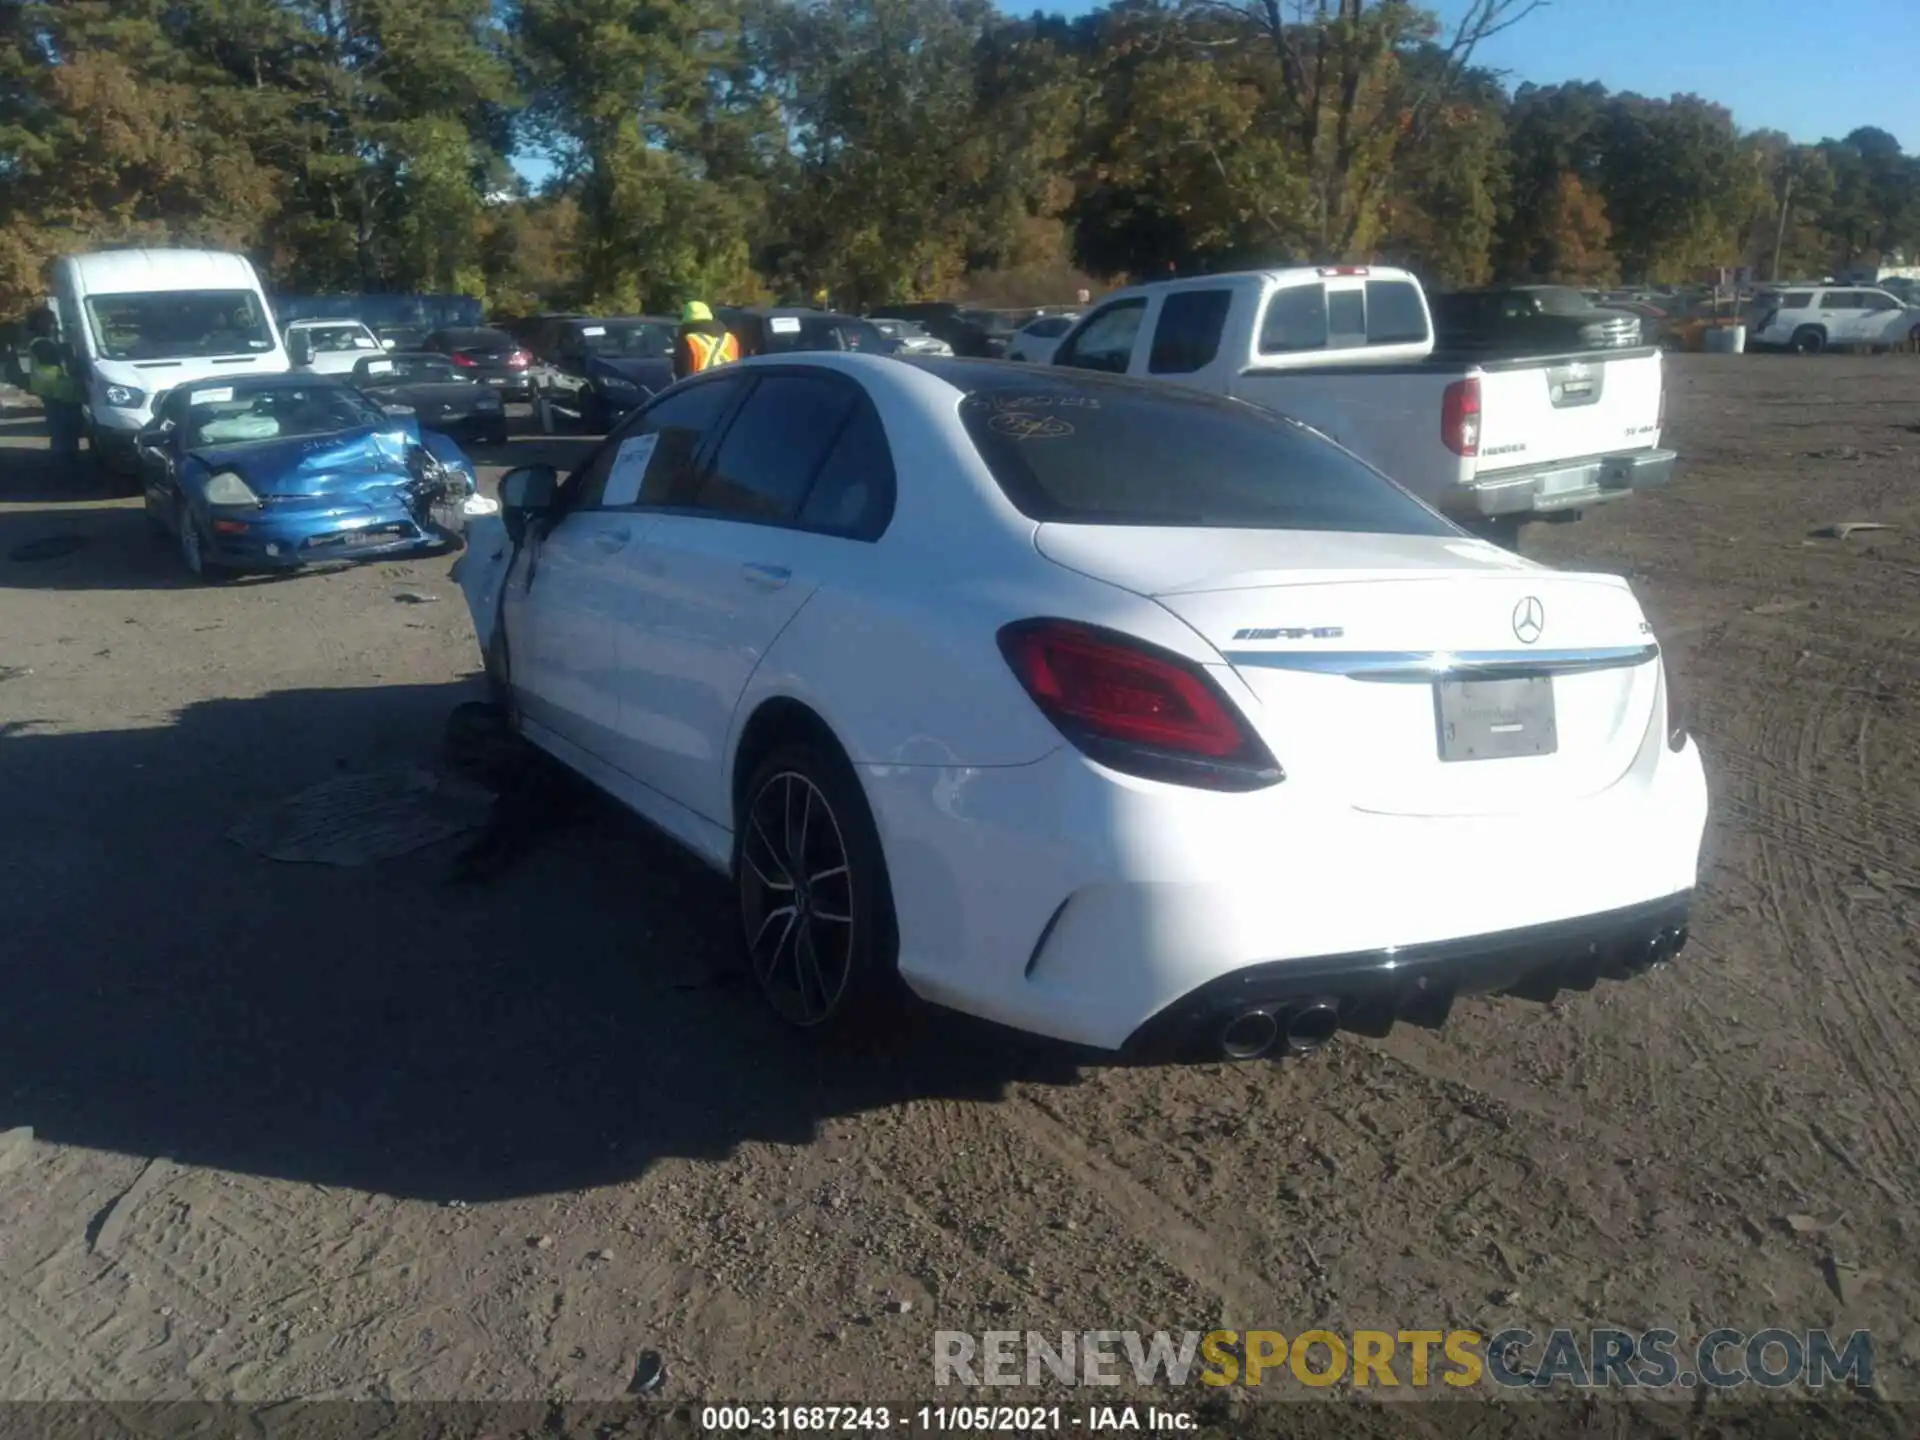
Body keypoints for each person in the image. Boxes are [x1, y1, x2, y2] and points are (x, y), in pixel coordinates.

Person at [25, 308, 85, 465]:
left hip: (59, 393)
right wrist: (67, 349)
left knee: (66, 430)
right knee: (63, 430)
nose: (54, 325)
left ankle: (67, 459)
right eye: (52, 322)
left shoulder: (46, 342)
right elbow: (59, 361)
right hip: (55, 393)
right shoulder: (41, 343)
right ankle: (64, 463)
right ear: (40, 323)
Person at [673, 301, 739, 380]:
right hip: (729, 386)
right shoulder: (730, 338)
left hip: (699, 387)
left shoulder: (690, 340)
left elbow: (680, 372)